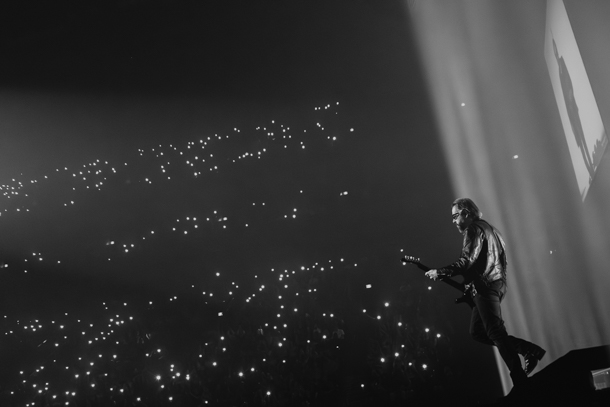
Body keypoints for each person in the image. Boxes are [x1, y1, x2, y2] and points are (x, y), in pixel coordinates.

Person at [424, 198, 545, 387]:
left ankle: (520, 376)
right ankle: (528, 351)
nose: (454, 221)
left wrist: (440, 271)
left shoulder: (473, 229)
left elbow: (467, 261)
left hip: (486, 286)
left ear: (467, 213)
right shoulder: (493, 230)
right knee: (478, 331)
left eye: (456, 216)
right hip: (496, 284)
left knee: (495, 331)